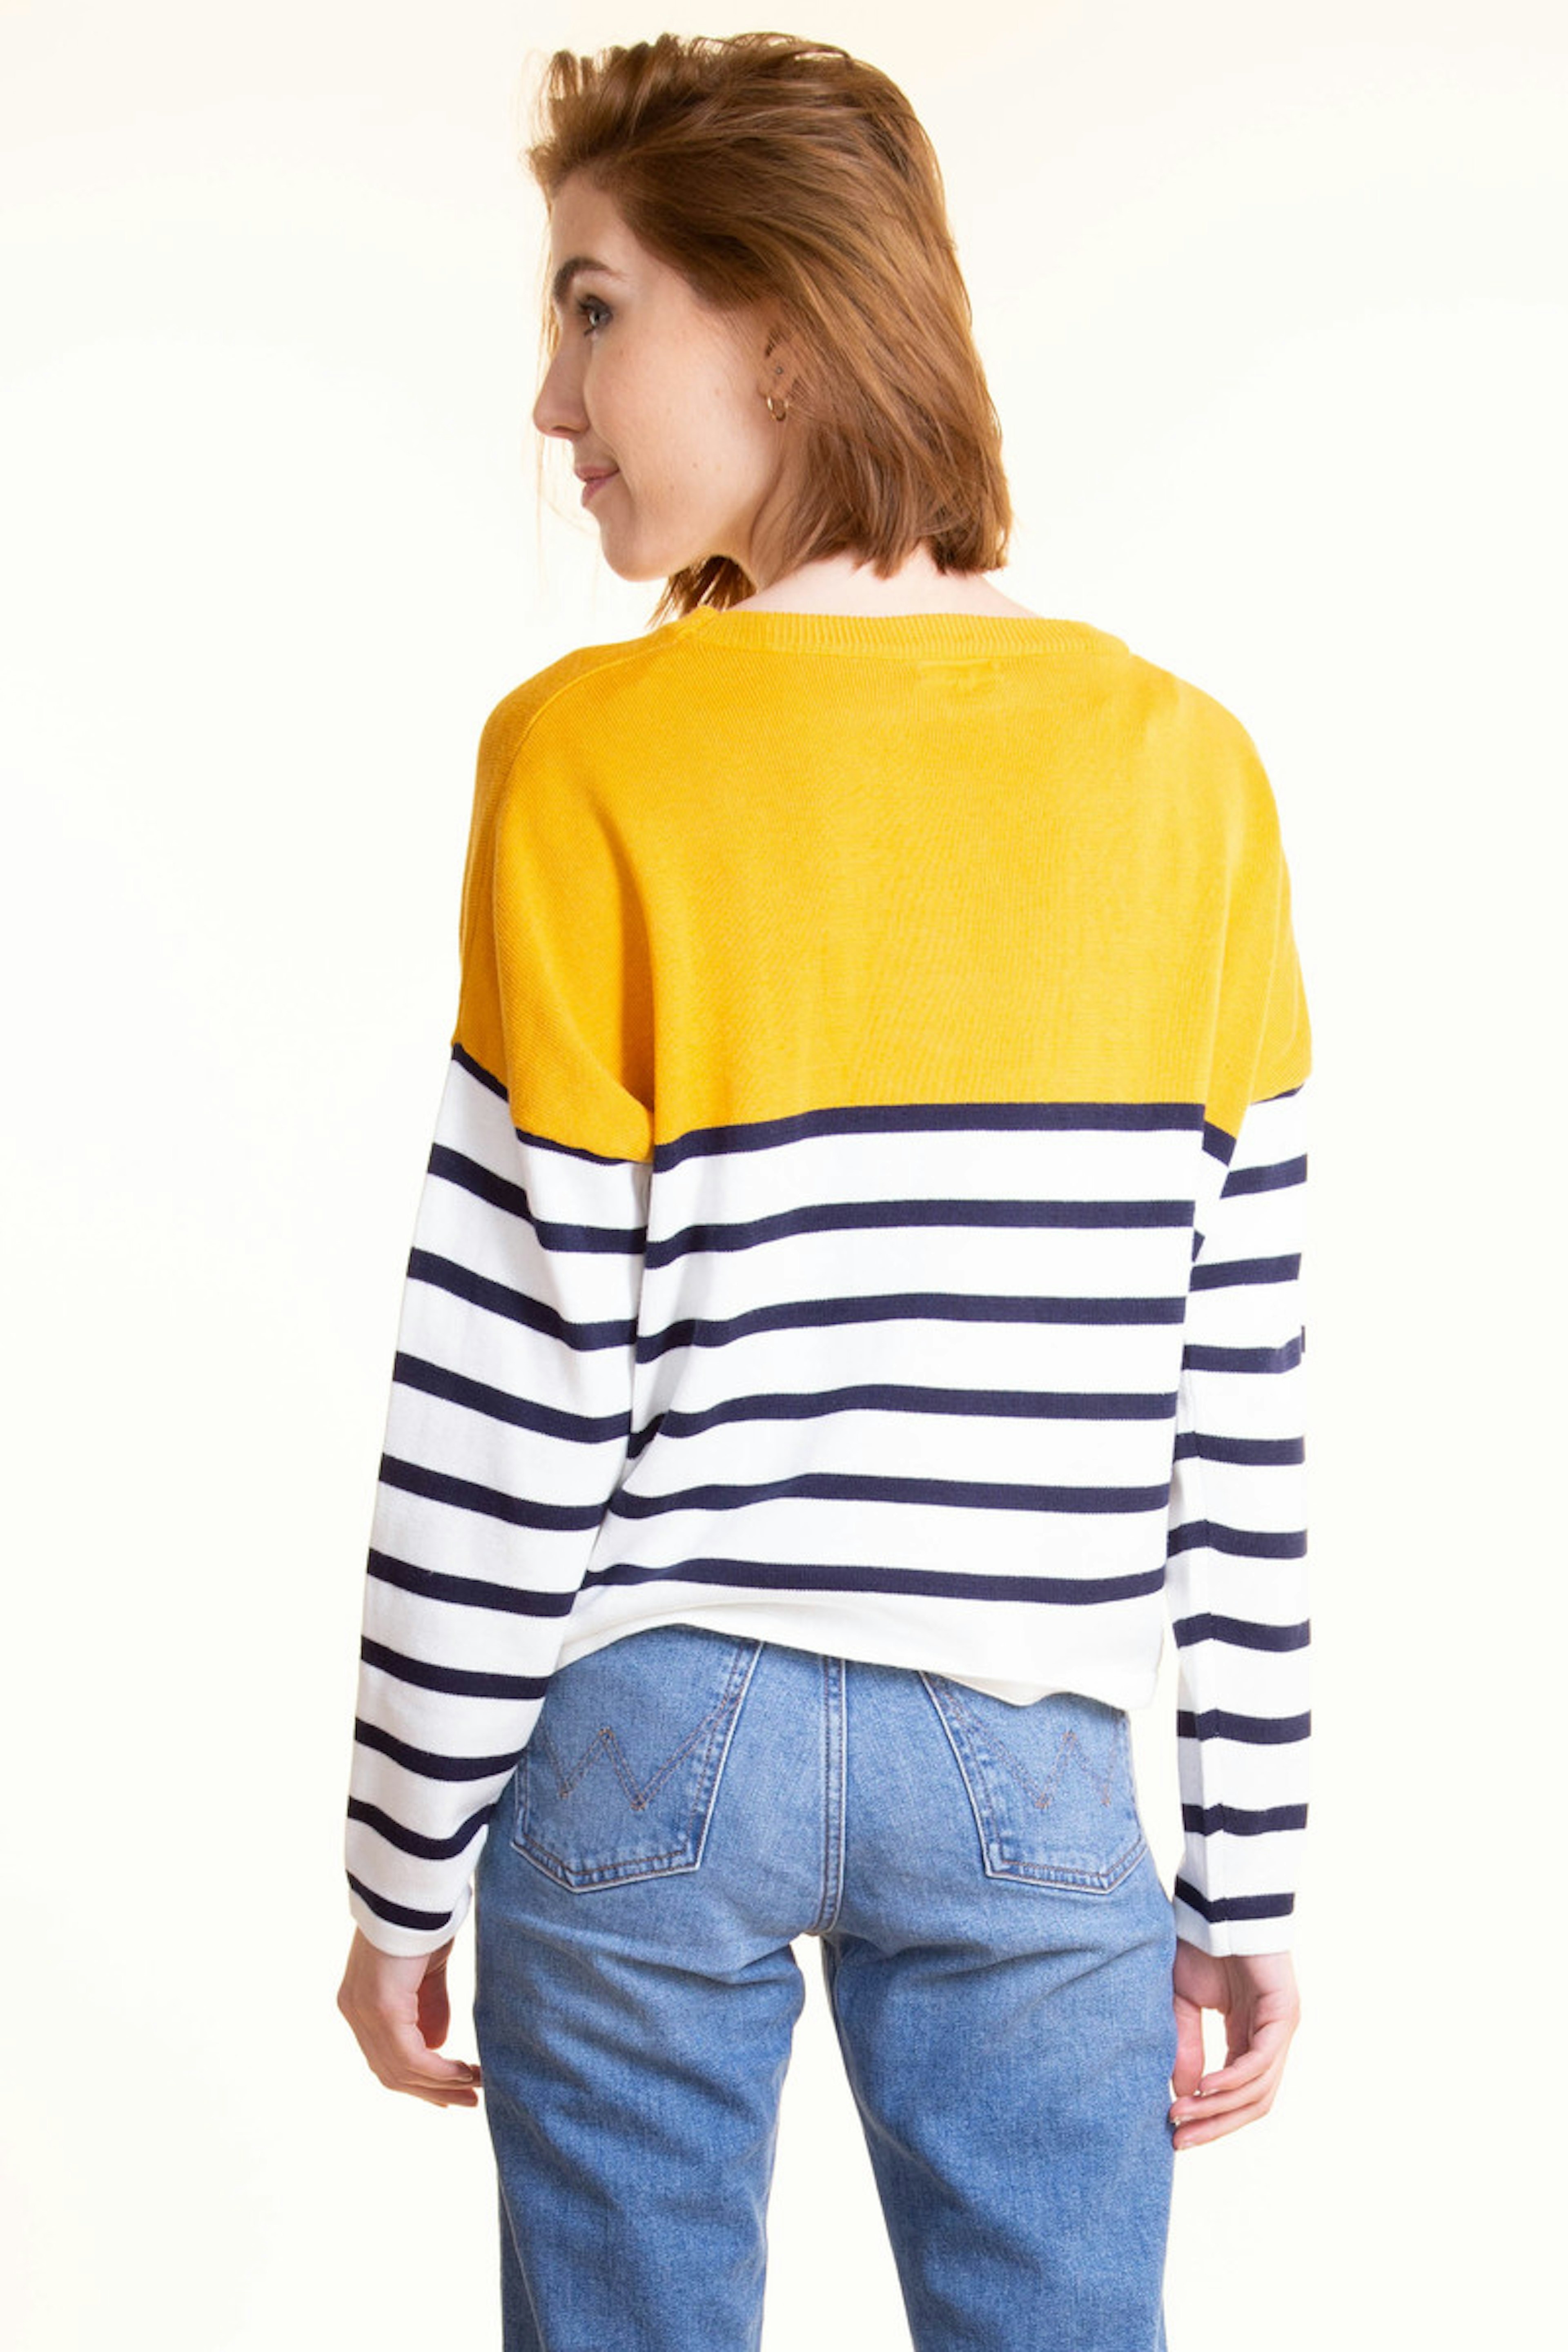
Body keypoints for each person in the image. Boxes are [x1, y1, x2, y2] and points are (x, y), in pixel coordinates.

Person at [337, 29, 1309, 2350]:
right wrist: (1252, 1870)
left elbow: (514, 1381)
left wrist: (398, 1855)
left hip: (642, 1732)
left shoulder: (583, 756)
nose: (551, 403)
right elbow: (1235, 1398)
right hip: (1030, 1751)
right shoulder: (1188, 774)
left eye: (593, 310)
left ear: (779, 315)